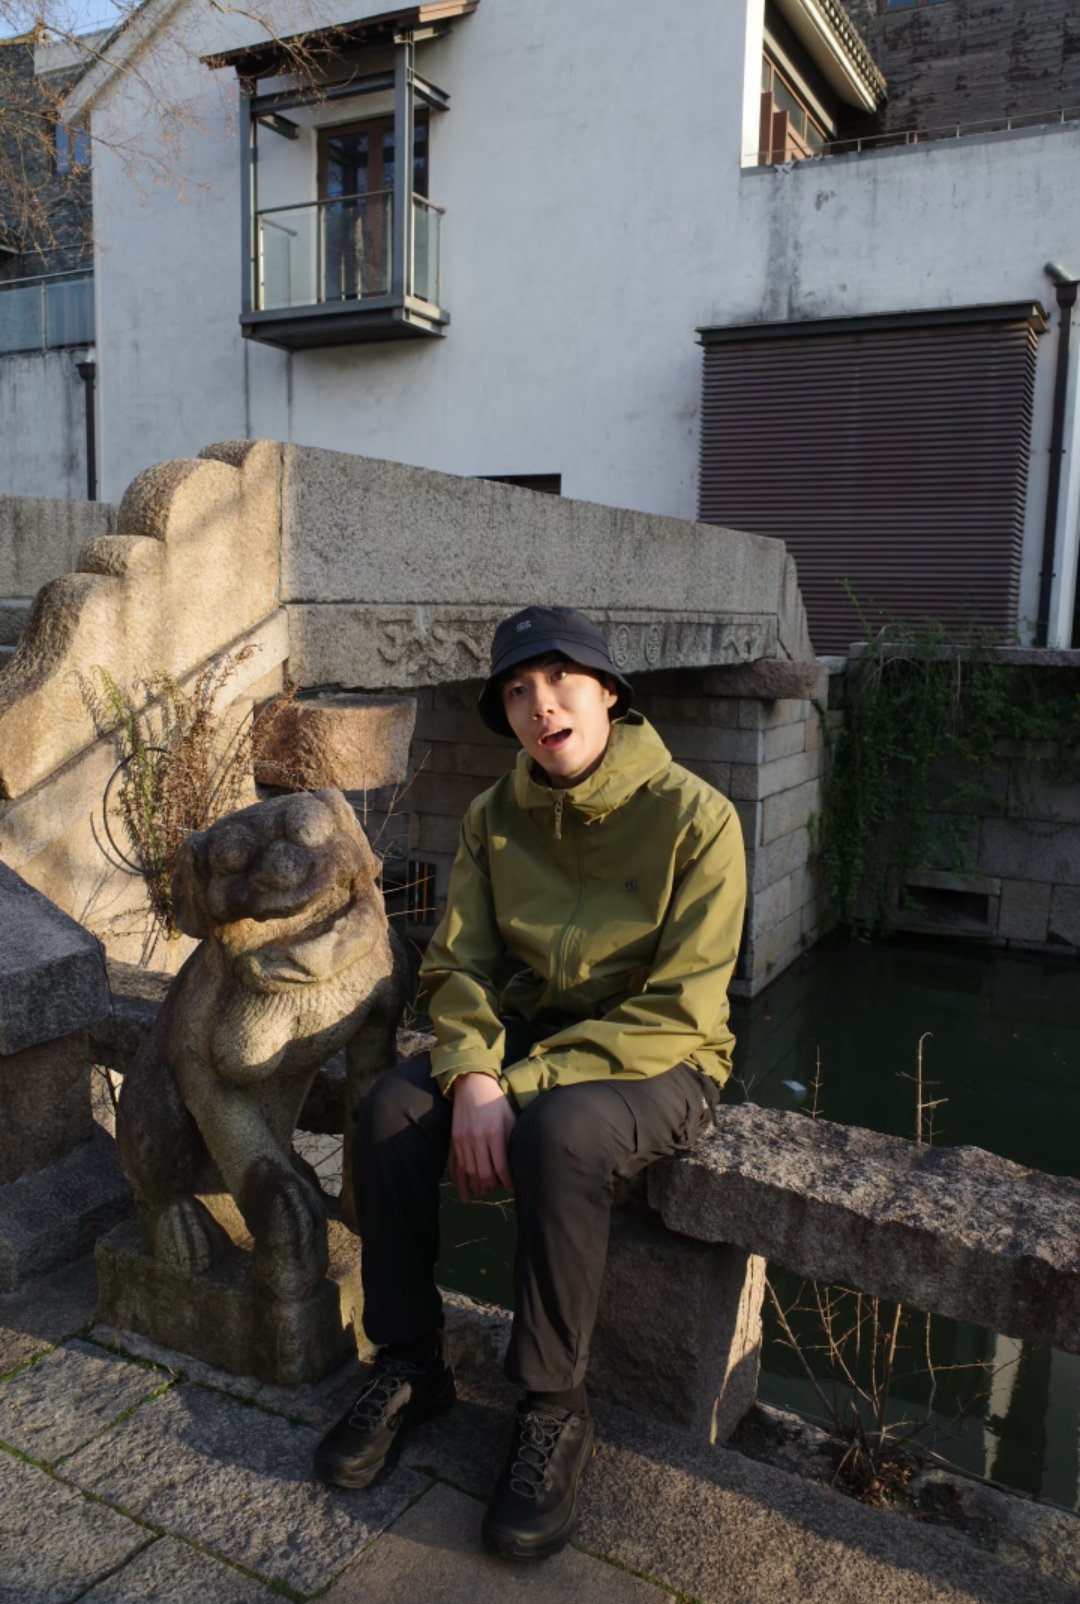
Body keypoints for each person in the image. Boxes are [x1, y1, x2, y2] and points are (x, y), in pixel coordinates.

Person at [315, 605, 746, 1561]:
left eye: (559, 680)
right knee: (390, 1110)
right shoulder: (492, 817)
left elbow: (682, 1006)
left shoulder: (698, 818)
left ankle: (554, 1406)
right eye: (517, 690)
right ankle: (410, 1362)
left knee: (564, 1133)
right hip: (522, 1037)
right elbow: (457, 966)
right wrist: (473, 1069)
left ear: (608, 691)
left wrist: (515, 1085)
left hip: (658, 1056)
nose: (540, 705)